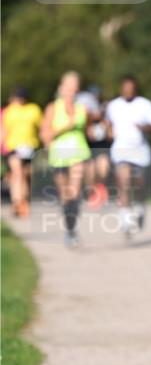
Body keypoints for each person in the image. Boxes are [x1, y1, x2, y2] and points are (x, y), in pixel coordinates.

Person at [105, 76, 151, 237]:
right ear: (121, 88)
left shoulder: (145, 105)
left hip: (141, 152)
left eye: (131, 88)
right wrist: (109, 132)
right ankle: (125, 219)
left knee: (140, 185)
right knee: (123, 181)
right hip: (121, 151)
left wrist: (145, 127)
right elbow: (108, 124)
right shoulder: (113, 105)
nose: (128, 91)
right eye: (125, 88)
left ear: (135, 89)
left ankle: (139, 208)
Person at [40, 72, 91, 247]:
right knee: (65, 196)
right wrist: (65, 127)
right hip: (59, 156)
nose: (72, 90)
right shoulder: (52, 108)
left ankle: (73, 228)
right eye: (69, 86)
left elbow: (87, 131)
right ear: (61, 88)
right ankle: (70, 230)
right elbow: (45, 134)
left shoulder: (82, 108)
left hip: (79, 153)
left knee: (74, 192)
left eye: (75, 86)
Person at [2, 86, 42, 217]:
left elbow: (40, 127)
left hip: (30, 146)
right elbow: (4, 129)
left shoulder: (33, 109)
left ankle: (24, 200)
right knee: (17, 173)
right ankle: (17, 202)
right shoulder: (9, 111)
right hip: (13, 146)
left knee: (25, 175)